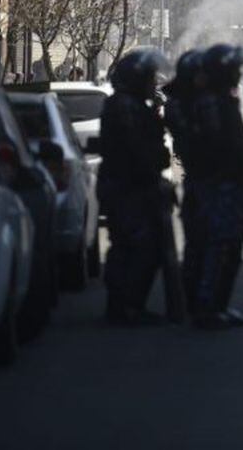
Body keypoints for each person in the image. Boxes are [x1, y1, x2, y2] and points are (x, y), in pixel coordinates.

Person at [97, 48, 172, 326]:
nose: (153, 84)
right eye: (149, 78)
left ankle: (129, 305)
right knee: (134, 248)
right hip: (128, 188)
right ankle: (122, 307)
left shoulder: (134, 106)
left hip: (133, 187)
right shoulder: (125, 107)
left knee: (141, 248)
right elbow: (137, 151)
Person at [190, 44, 243, 330]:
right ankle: (207, 307)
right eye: (233, 70)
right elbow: (219, 148)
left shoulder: (222, 101)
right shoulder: (210, 104)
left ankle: (218, 305)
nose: (237, 75)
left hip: (231, 186)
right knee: (219, 248)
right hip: (220, 188)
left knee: (230, 248)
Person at [163, 50, 207, 317]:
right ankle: (195, 304)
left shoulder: (190, 103)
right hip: (201, 183)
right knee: (201, 247)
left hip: (199, 183)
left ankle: (194, 302)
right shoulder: (185, 106)